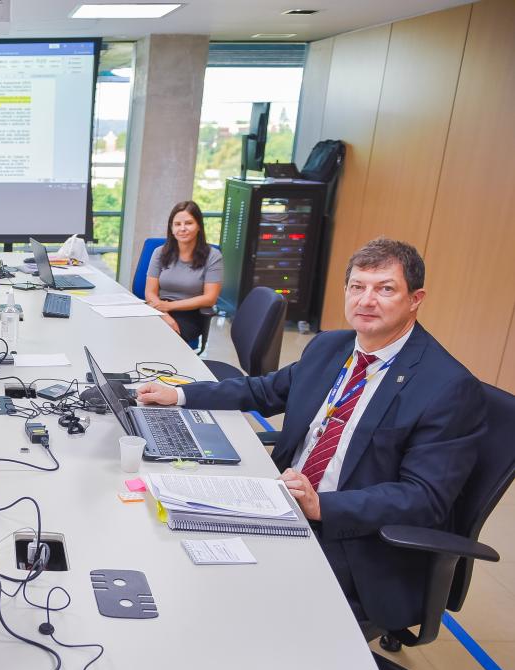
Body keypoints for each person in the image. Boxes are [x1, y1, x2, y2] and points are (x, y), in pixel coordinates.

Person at [138, 238, 486, 631]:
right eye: (357, 287)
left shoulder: (448, 387)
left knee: (227, 604)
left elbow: (424, 498)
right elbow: (264, 391)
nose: (366, 301)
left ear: (415, 299)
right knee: (169, 539)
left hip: (352, 538)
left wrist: (322, 505)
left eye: (385, 289)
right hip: (280, 501)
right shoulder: (331, 347)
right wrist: (180, 394)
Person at [145, 200, 223, 346]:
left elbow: (210, 298)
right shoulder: (159, 252)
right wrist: (164, 314)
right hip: (158, 309)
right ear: (171, 228)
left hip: (190, 314)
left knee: (160, 341)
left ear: (199, 225)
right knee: (133, 333)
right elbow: (150, 292)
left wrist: (170, 307)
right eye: (177, 224)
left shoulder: (213, 256)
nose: (182, 228)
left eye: (188, 223)